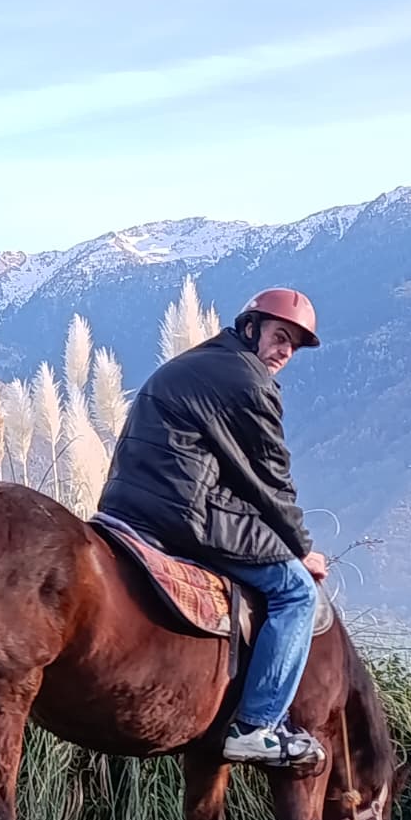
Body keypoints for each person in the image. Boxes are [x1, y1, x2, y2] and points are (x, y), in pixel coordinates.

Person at [96, 288, 329, 767]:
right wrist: (301, 549)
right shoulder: (248, 379)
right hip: (184, 514)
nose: (285, 351)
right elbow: (271, 477)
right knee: (297, 594)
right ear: (251, 327)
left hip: (126, 504)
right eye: (280, 336)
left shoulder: (200, 362)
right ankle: (257, 726)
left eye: (294, 346)